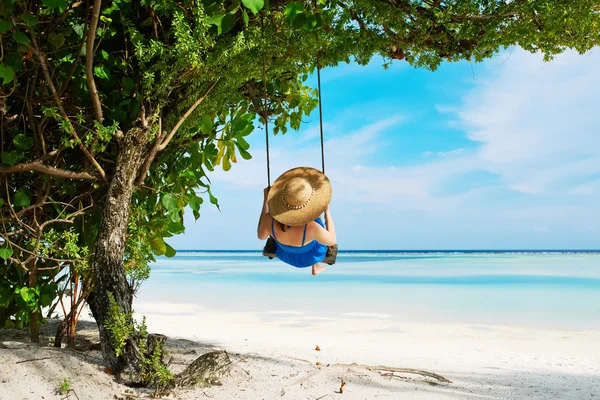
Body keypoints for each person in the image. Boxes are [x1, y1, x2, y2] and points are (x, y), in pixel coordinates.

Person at [257, 167, 337, 276]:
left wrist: (266, 201)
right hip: (309, 258)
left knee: (313, 226)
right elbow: (332, 241)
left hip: (286, 255)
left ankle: (316, 266)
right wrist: (327, 211)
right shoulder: (312, 227)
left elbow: (261, 236)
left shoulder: (268, 220)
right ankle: (316, 266)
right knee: (317, 219)